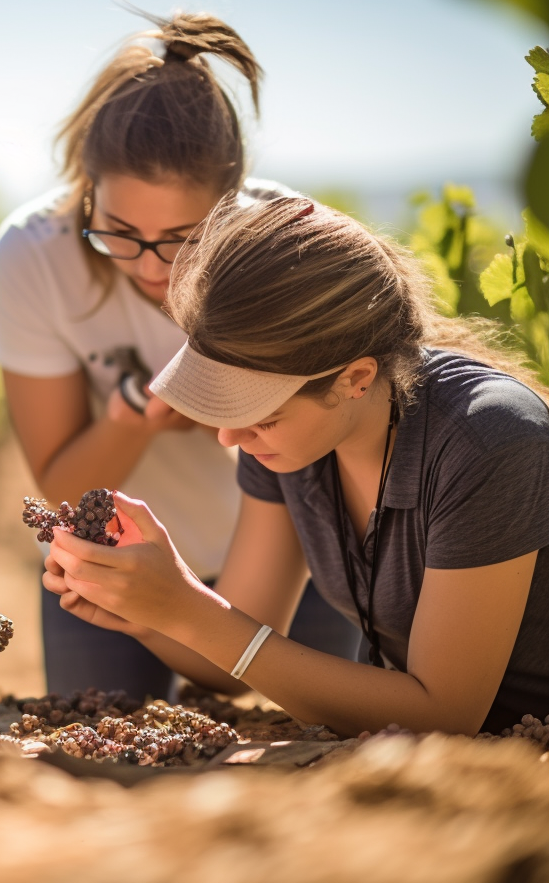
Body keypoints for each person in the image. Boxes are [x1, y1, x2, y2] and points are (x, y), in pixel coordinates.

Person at [43, 195, 549, 737]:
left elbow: (444, 714)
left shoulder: (489, 440)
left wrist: (188, 609)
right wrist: (150, 614)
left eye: (261, 417)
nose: (229, 436)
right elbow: (237, 652)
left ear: (355, 378)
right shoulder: (292, 444)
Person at [0, 9, 358, 700]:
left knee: (297, 758)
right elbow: (63, 483)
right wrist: (136, 415)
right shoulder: (30, 256)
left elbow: (338, 435)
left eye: (184, 238)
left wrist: (226, 408)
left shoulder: (288, 245)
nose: (152, 268)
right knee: (99, 746)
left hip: (290, 561)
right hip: (111, 558)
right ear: (87, 189)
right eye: (119, 233)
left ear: (233, 203)